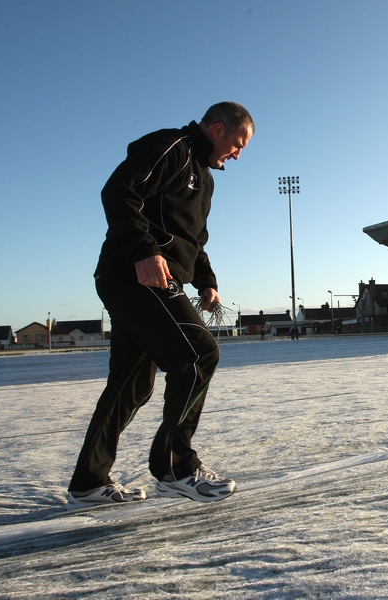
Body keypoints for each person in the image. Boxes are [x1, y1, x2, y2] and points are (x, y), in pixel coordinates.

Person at [67, 102, 254, 508]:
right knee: (199, 354)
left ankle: (88, 483)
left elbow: (195, 240)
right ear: (217, 129)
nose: (238, 155)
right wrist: (144, 251)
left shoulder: (205, 179)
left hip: (152, 277)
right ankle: (175, 468)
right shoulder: (172, 147)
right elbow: (119, 191)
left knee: (131, 385)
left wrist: (206, 282)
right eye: (238, 144)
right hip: (135, 274)